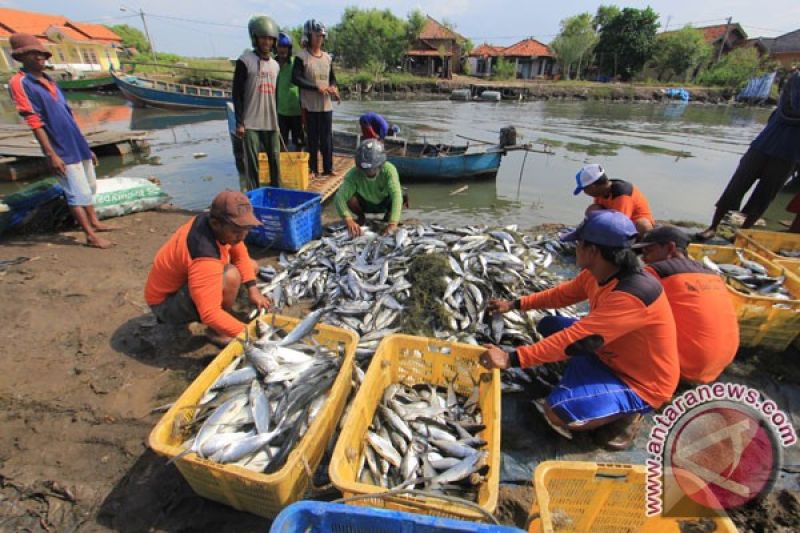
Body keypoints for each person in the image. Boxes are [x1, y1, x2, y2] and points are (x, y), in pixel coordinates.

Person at [481, 210, 679, 450]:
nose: (575, 248)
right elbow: (562, 294)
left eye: (578, 244)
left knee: (557, 413)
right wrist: (515, 304)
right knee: (549, 325)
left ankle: (630, 412)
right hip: (608, 353)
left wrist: (511, 358)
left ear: (593, 251)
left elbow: (577, 339)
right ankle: (592, 385)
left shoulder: (633, 294)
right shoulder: (601, 273)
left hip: (640, 381)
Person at [8, 33, 113, 249]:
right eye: (32, 54)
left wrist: (85, 146)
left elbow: (68, 115)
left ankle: (95, 221)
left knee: (89, 186)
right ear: (21, 57)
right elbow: (34, 120)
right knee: (75, 192)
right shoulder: (20, 82)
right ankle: (90, 235)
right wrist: (51, 154)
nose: (39, 57)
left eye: (40, 53)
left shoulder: (50, 80)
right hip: (59, 146)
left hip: (76, 142)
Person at [144, 191, 270, 347]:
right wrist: (251, 335)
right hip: (165, 304)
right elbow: (210, 314)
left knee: (251, 265)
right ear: (217, 224)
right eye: (237, 231)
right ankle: (216, 332)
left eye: (246, 229)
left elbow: (240, 254)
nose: (242, 236)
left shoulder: (209, 221)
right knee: (231, 276)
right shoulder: (203, 253)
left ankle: (221, 311)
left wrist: (253, 289)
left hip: (184, 283)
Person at [698, 72, 800, 240]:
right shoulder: (797, 78)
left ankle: (741, 233)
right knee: (735, 188)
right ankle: (714, 227)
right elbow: (793, 108)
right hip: (764, 145)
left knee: (764, 196)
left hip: (790, 154)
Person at [633, 225, 739, 384]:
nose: (643, 258)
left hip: (684, 367)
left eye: (648, 251)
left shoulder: (657, 271)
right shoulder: (713, 275)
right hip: (717, 366)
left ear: (670, 248)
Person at [233, 15, 282, 191]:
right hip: (251, 123)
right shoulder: (245, 61)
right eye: (263, 37)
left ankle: (276, 194)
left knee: (275, 162)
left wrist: (279, 122)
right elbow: (237, 94)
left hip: (271, 122)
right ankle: (253, 197)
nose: (266, 42)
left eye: (270, 38)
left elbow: (276, 96)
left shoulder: (276, 66)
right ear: (255, 38)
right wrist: (239, 122)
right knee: (252, 166)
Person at [292, 19, 339, 178]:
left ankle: (328, 168)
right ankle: (312, 169)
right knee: (312, 138)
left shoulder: (327, 58)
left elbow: (332, 78)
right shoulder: (301, 57)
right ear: (308, 36)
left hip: (326, 105)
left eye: (322, 36)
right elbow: (296, 78)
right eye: (316, 35)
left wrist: (333, 87)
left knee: (327, 139)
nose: (319, 39)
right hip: (309, 106)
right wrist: (316, 87)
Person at [334, 139, 404, 238]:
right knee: (349, 197)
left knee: (402, 194)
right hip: (365, 204)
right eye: (365, 170)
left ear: (381, 165)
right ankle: (361, 217)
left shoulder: (389, 170)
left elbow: (396, 196)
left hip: (384, 203)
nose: (369, 173)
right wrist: (348, 219)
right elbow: (339, 198)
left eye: (372, 170)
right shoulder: (353, 174)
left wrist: (393, 224)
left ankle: (388, 218)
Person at [573, 163, 655, 236]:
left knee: (643, 225)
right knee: (592, 210)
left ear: (593, 186)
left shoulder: (622, 194)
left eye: (584, 189)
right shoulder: (600, 192)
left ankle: (639, 247)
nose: (585, 192)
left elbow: (621, 224)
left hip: (634, 225)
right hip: (617, 220)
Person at [276, 32, 303, 151]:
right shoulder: (272, 64)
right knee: (282, 142)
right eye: (280, 47)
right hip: (281, 111)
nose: (282, 50)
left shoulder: (295, 63)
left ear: (289, 49)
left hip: (296, 111)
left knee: (299, 142)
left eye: (285, 47)